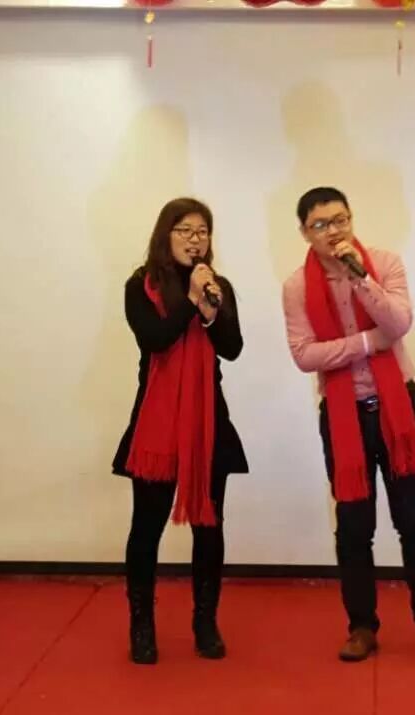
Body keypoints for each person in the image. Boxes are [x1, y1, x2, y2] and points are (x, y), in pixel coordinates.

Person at [281, 186, 415, 662]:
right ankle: (361, 626)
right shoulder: (297, 287)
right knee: (354, 525)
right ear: (305, 232)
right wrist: (365, 343)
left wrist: (361, 280)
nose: (333, 230)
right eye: (321, 224)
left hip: (398, 407)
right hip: (345, 417)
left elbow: (397, 324)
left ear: (351, 219)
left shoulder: (383, 263)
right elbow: (304, 355)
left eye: (340, 219)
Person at [111, 197, 247, 664]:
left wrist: (210, 310)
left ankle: (205, 622)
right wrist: (191, 302)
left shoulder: (218, 287)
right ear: (164, 235)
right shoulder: (140, 286)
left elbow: (232, 348)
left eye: (202, 232)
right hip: (157, 424)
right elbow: (155, 339)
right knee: (146, 528)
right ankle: (142, 625)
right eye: (185, 230)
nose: (195, 239)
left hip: (209, 423)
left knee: (210, 527)